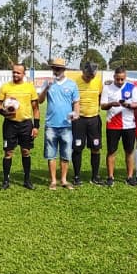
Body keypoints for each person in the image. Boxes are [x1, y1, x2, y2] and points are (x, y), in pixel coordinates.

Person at [0, 62, 39, 189]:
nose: (15, 74)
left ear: (24, 74)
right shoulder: (5, 87)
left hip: (26, 124)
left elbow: (36, 108)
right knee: (8, 152)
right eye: (14, 72)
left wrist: (36, 126)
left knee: (25, 151)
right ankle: (6, 180)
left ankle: (27, 180)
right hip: (10, 125)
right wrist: (3, 112)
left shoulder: (29, 88)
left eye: (18, 73)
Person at [41, 57, 80, 189]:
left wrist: (76, 114)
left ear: (64, 70)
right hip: (51, 125)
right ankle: (53, 181)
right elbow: (40, 100)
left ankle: (63, 180)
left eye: (58, 68)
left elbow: (76, 103)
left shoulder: (72, 84)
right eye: (54, 68)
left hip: (66, 125)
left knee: (65, 154)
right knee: (51, 154)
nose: (56, 71)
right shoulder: (47, 83)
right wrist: (46, 88)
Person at [100, 66, 137, 186]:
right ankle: (110, 177)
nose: (120, 81)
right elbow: (102, 106)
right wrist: (111, 104)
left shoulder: (132, 87)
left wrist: (128, 105)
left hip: (129, 125)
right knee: (111, 151)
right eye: (118, 79)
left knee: (129, 151)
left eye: (122, 79)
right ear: (114, 77)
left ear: (125, 77)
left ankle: (130, 177)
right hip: (112, 125)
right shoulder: (107, 88)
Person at [71, 61, 104, 185]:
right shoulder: (75, 82)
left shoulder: (98, 81)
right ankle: (76, 176)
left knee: (95, 148)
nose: (90, 77)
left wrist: (96, 108)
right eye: (88, 75)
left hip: (94, 120)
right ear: (83, 71)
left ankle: (95, 176)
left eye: (92, 75)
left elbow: (100, 96)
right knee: (78, 148)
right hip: (79, 120)